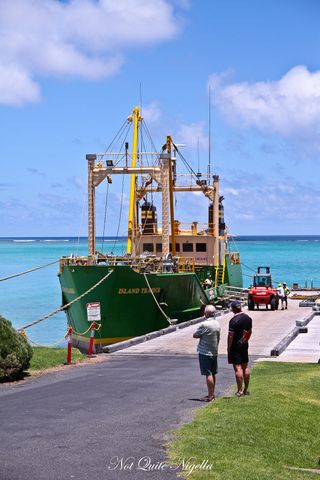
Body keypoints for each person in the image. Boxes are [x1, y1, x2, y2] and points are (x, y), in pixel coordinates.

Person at [193, 305, 220, 402]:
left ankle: (210, 395)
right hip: (214, 351)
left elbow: (195, 335)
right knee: (213, 373)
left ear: (206, 313)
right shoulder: (217, 323)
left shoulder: (204, 324)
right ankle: (212, 394)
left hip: (205, 352)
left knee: (208, 374)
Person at [227, 300, 252, 397]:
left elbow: (230, 336)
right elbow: (250, 332)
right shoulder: (248, 318)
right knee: (245, 367)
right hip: (244, 344)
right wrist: (245, 340)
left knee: (238, 368)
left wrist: (229, 348)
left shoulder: (233, 321)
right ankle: (246, 389)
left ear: (233, 309)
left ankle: (239, 390)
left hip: (235, 346)